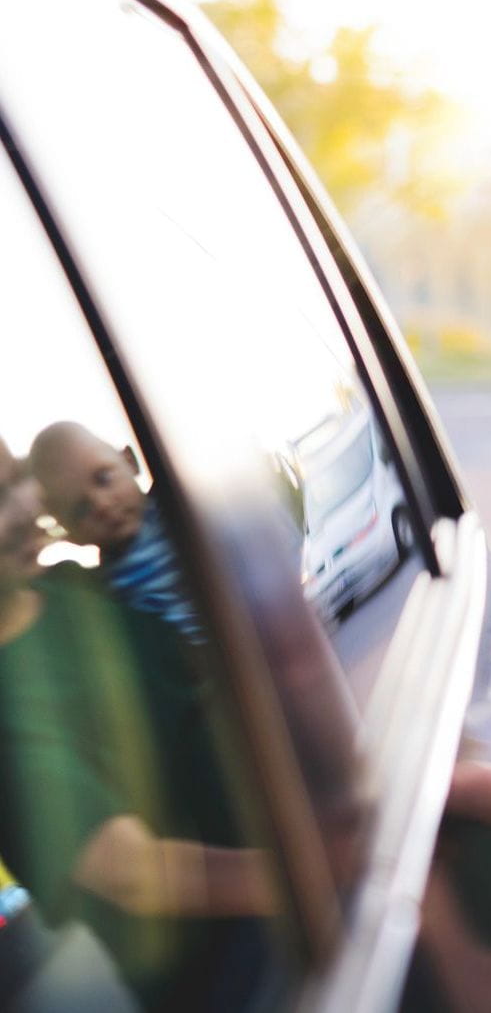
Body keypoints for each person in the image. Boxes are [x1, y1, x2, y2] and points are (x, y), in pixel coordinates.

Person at [0, 434, 272, 1007]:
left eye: (15, 482)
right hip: (244, 964)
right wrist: (310, 876)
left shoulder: (79, 586)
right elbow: (135, 874)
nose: (27, 509)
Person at [27, 422, 203, 643]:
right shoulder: (100, 593)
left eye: (103, 479)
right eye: (81, 509)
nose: (102, 505)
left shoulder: (178, 509)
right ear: (71, 535)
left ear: (130, 461)